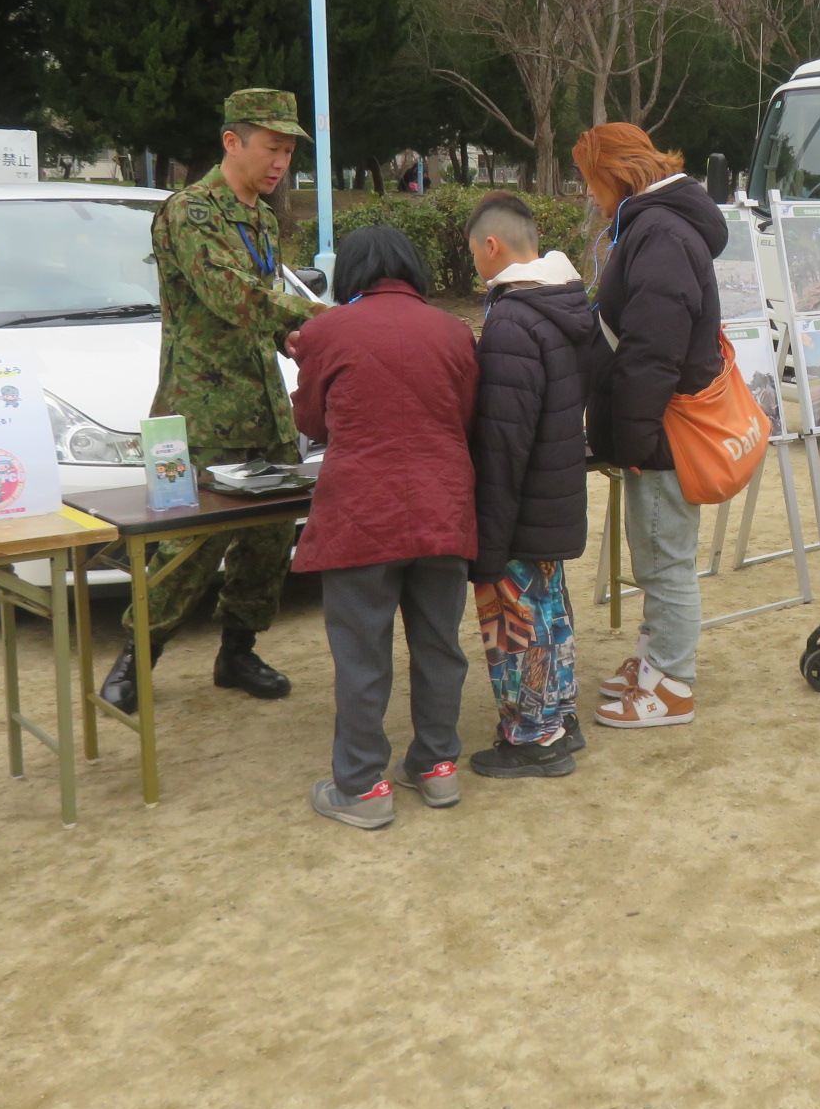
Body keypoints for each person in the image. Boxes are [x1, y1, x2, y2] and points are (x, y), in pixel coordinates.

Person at [101, 88, 327, 715]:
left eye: (288, 151)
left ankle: (238, 650)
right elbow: (235, 296)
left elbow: (264, 315)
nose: (281, 163)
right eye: (272, 148)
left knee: (269, 536)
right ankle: (135, 659)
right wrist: (326, 320)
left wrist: (308, 344)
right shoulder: (191, 213)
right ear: (233, 142)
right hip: (200, 409)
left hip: (261, 402)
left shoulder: (258, 216)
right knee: (188, 545)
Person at [292, 225, 480, 829]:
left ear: (349, 274)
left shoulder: (324, 332)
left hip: (360, 515)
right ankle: (436, 766)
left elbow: (314, 423)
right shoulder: (453, 331)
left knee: (361, 653)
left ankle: (362, 785)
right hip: (443, 508)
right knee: (439, 646)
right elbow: (466, 413)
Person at [575, 122, 726, 730]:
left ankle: (672, 684)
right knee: (658, 556)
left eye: (590, 182)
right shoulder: (656, 224)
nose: (589, 195)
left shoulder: (658, 233)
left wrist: (633, 436)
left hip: (662, 432)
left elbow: (652, 352)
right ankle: (654, 662)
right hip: (656, 427)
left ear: (613, 175)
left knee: (665, 561)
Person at [463, 192, 595, 778]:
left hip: (519, 507)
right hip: (553, 496)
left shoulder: (513, 320)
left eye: (473, 254)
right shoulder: (562, 303)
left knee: (516, 625)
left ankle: (532, 738)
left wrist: (489, 531)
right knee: (551, 617)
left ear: (491, 246)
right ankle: (560, 719)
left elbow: (502, 440)